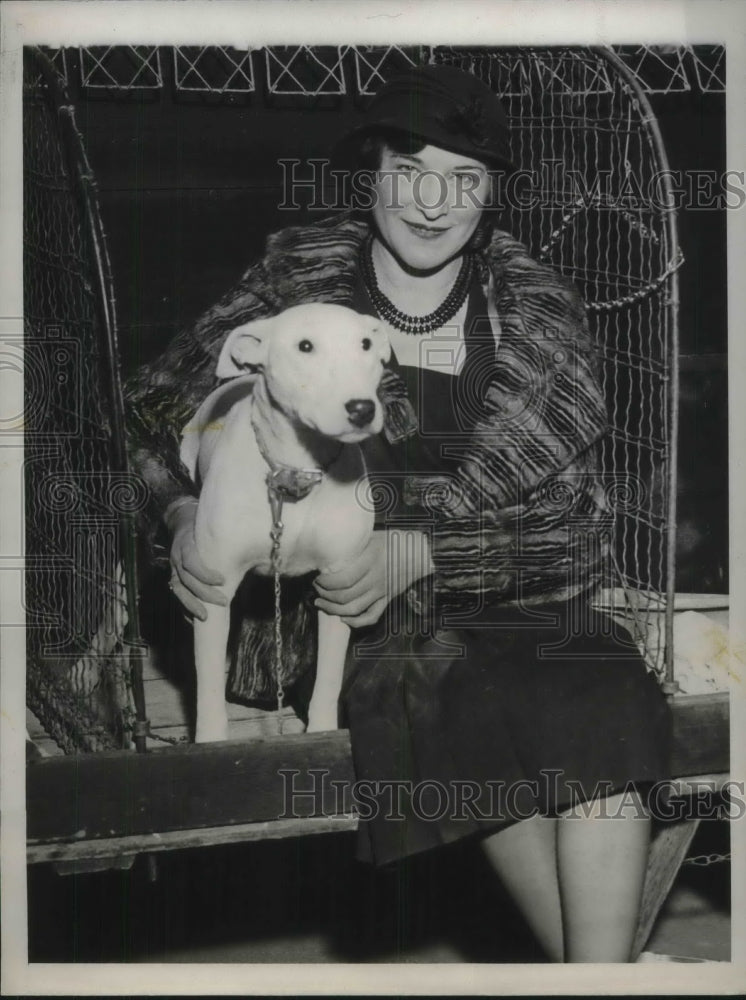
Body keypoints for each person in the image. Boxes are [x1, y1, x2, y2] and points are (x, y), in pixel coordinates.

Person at [124, 64, 671, 963]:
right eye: (409, 169)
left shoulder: (535, 313)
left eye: (464, 178)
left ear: (492, 194)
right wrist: (181, 514)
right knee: (448, 698)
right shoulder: (289, 291)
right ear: (369, 174)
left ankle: (600, 977)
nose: (431, 201)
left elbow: (573, 526)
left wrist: (426, 551)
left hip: (515, 600)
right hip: (333, 619)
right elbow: (153, 419)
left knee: (604, 687)